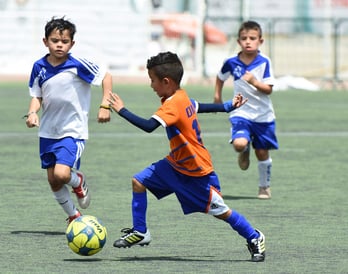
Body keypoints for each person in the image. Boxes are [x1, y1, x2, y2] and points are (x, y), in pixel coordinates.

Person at [108, 51, 265, 262]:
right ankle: (141, 231)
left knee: (221, 211)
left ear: (166, 81)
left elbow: (148, 126)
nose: (151, 85)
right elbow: (198, 106)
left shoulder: (172, 104)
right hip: (175, 164)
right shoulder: (179, 96)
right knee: (139, 181)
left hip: (196, 171)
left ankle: (254, 237)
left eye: (152, 81)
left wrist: (121, 110)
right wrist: (227, 106)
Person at [24, 17, 112, 224]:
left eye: (64, 42)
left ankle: (78, 180)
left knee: (62, 174)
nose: (59, 45)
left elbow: (106, 77)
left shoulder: (78, 65)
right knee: (53, 180)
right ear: (45, 41)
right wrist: (32, 113)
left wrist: (105, 105)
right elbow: (37, 95)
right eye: (55, 40)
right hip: (48, 131)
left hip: (73, 130)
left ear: (72, 43)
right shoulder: (39, 67)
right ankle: (74, 216)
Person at [213, 20, 278, 199]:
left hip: (263, 115)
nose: (248, 41)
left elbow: (269, 89)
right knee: (239, 143)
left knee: (262, 152)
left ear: (260, 41)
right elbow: (220, 77)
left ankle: (264, 187)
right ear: (238, 41)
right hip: (240, 112)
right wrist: (217, 97)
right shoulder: (232, 62)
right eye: (244, 38)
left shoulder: (264, 62)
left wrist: (255, 82)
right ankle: (243, 149)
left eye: (252, 38)